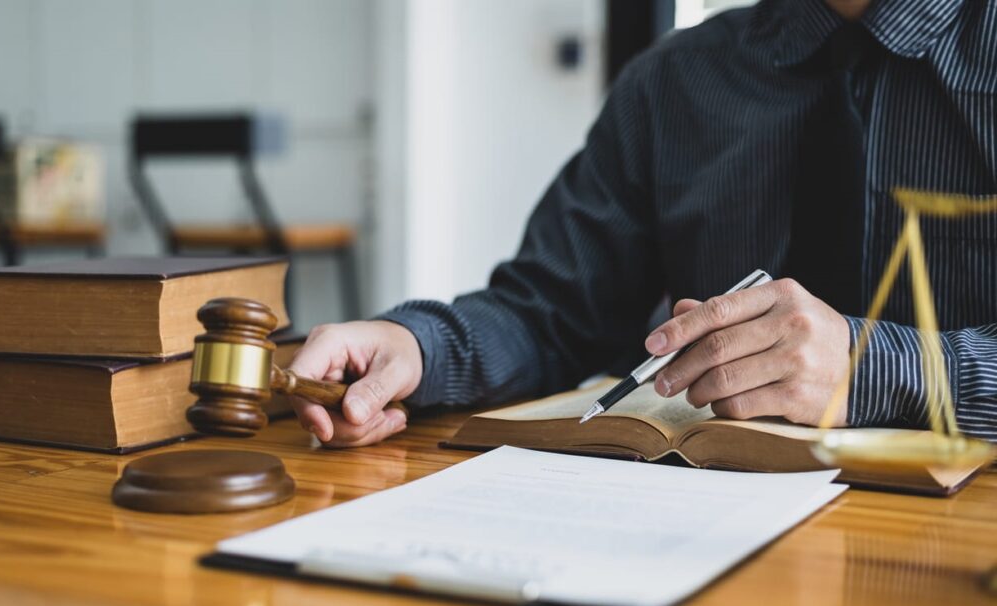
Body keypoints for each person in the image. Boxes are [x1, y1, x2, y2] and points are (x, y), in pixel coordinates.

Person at [290, 0, 997, 448]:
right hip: (691, 550)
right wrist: (419, 343)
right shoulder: (674, 81)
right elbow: (553, 314)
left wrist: (873, 368)